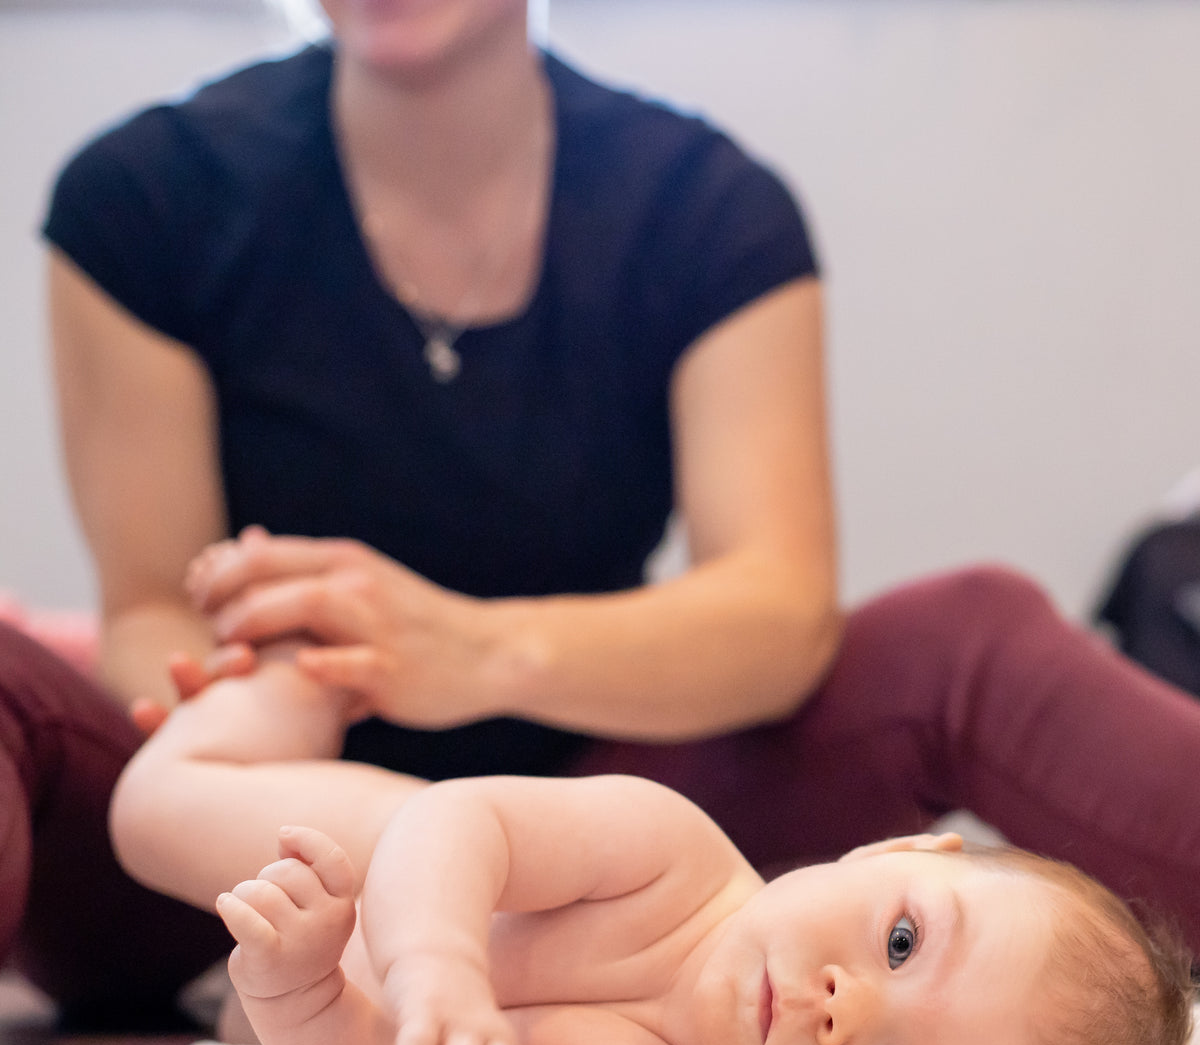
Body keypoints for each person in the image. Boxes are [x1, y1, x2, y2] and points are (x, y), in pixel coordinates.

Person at [35, 0, 1200, 994]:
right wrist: (228, 714)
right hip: (250, 857)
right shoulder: (141, 200)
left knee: (967, 634)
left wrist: (462, 649)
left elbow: (778, 614)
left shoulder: (706, 207)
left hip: (598, 842)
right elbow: (148, 609)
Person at [107, 643, 1192, 1045]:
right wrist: (434, 961)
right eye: (902, 941)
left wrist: (306, 998)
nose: (841, 1007)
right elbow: (454, 825)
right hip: (351, 850)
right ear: (897, 851)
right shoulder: (670, 856)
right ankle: (285, 690)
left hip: (275, 955)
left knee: (201, 977)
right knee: (152, 811)